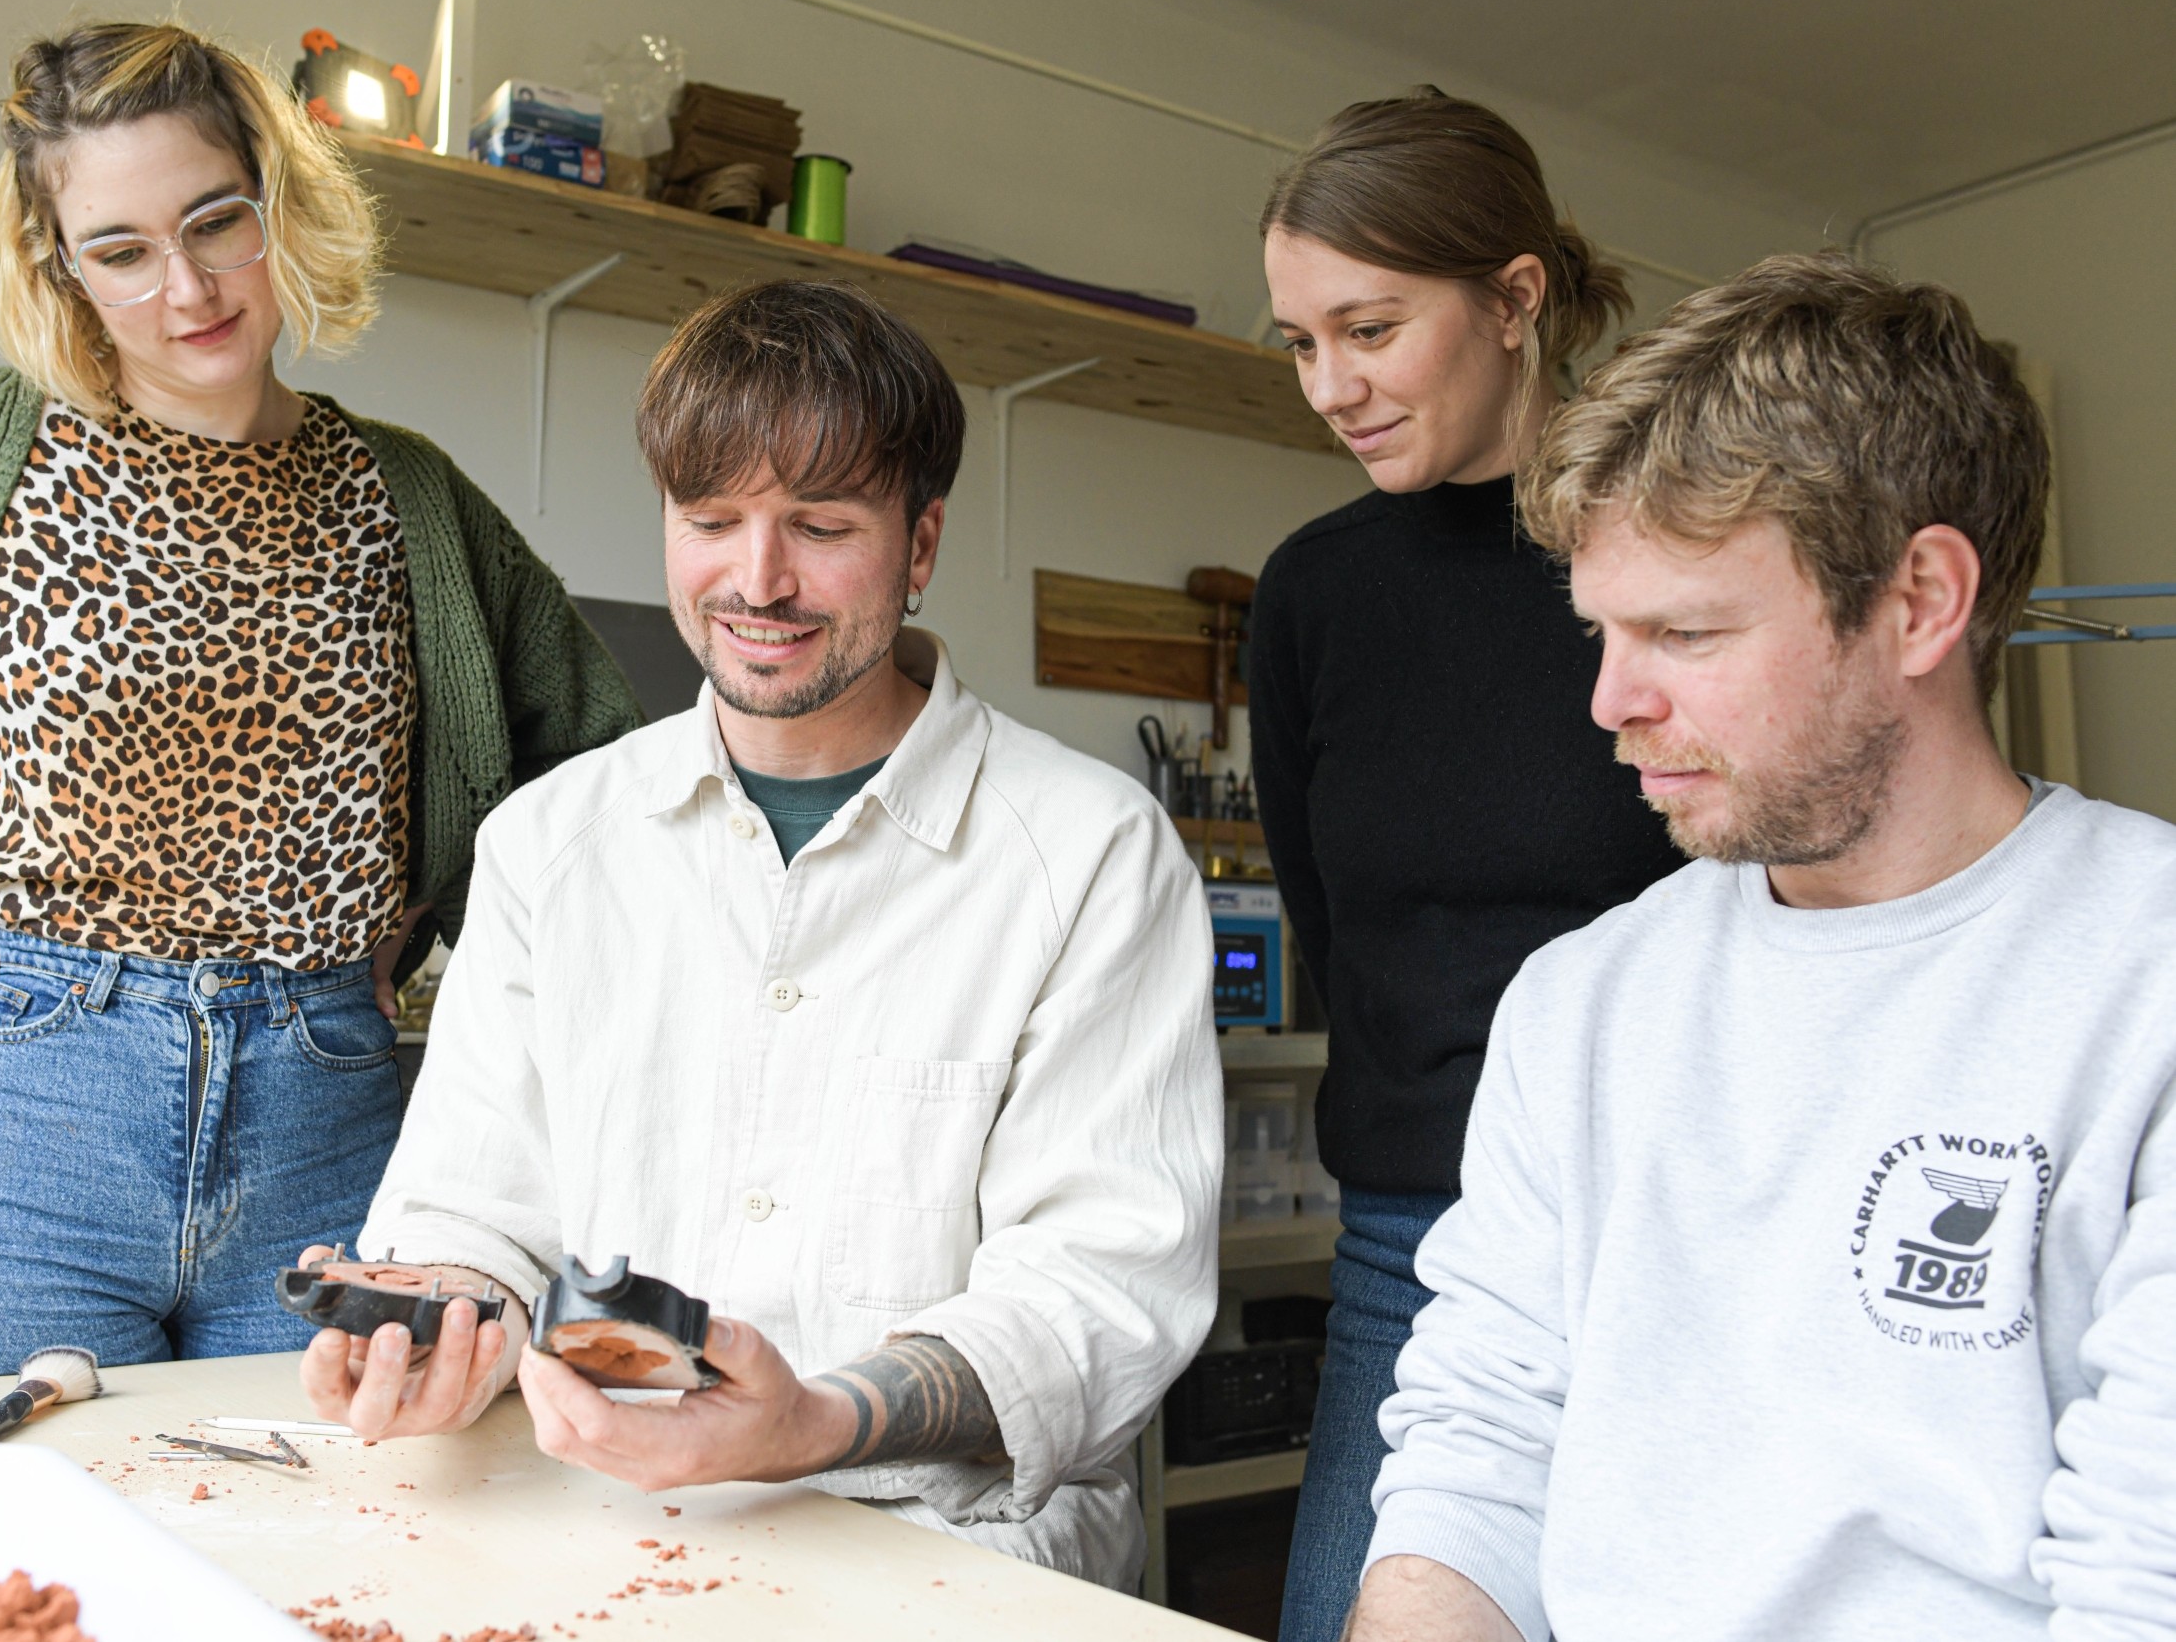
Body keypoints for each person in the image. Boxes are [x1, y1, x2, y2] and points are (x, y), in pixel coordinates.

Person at [0, 21, 638, 1385]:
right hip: (32, 1106)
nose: (186, 288)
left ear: (276, 203)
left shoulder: (409, 499)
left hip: (334, 1109)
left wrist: (437, 928)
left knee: (311, 1559)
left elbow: (595, 787)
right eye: (120, 250)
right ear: (56, 264)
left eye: (214, 223)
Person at [295, 280, 1222, 1590]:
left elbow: (1099, 1290)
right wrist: (434, 1314)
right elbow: (478, 1199)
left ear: (922, 542)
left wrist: (817, 1423)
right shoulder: (552, 844)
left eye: (821, 526)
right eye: (711, 520)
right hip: (607, 1536)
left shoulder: (1091, 855)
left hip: (957, 1561)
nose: (758, 579)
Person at [1347, 251, 2176, 1641]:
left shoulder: (2143, 974)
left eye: (1684, 630)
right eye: (1602, 633)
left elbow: (2145, 1572)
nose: (1614, 703)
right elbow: (1480, 1447)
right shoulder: (1584, 1004)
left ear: (1920, 601)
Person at [1246, 89, 1685, 1637]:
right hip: (1414, 1242)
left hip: (1679, 1229)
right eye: (1301, 342)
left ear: (1516, 298)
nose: (1330, 385)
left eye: (1367, 329)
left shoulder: (1662, 554)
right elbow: (1335, 923)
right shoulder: (1310, 597)